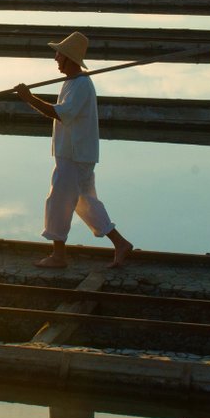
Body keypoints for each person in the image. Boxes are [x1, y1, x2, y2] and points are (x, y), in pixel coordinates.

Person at [15, 31, 134, 270]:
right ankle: (120, 243)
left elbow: (59, 113)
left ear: (70, 58)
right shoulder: (72, 82)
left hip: (74, 155)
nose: (56, 58)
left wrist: (29, 99)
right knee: (85, 202)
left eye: (59, 54)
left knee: (59, 200)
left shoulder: (80, 84)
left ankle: (59, 256)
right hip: (74, 153)